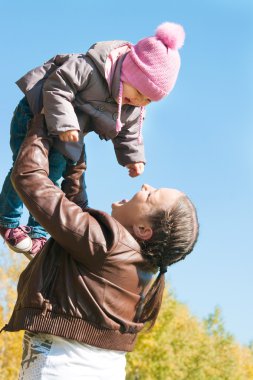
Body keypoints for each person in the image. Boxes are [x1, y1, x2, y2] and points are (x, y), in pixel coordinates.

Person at [2, 115, 198, 379]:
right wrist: (75, 148)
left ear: (143, 230)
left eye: (151, 195)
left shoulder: (107, 245)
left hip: (61, 370)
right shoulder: (135, 262)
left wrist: (44, 119)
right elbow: (77, 215)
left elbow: (28, 178)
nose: (145, 185)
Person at [0, 21, 185, 257]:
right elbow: (57, 86)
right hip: (36, 113)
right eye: (139, 93)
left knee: (53, 177)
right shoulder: (90, 68)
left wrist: (133, 158)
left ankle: (38, 233)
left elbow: (129, 131)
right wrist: (65, 123)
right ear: (127, 72)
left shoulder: (133, 105)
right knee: (26, 167)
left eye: (148, 101)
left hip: (67, 133)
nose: (140, 102)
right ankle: (8, 220)